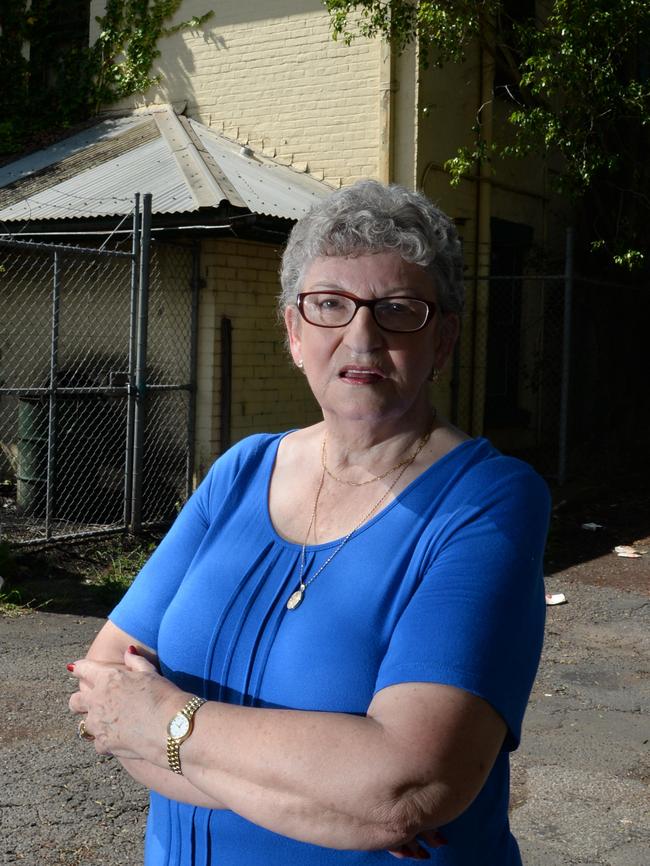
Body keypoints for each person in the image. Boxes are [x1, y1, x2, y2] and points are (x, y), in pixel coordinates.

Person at [68, 179, 550, 865]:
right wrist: (335, 803)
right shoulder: (241, 471)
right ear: (294, 332)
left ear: (442, 339)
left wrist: (163, 725)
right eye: (329, 305)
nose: (361, 336)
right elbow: (103, 684)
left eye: (397, 309)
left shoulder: (488, 502)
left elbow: (404, 784)